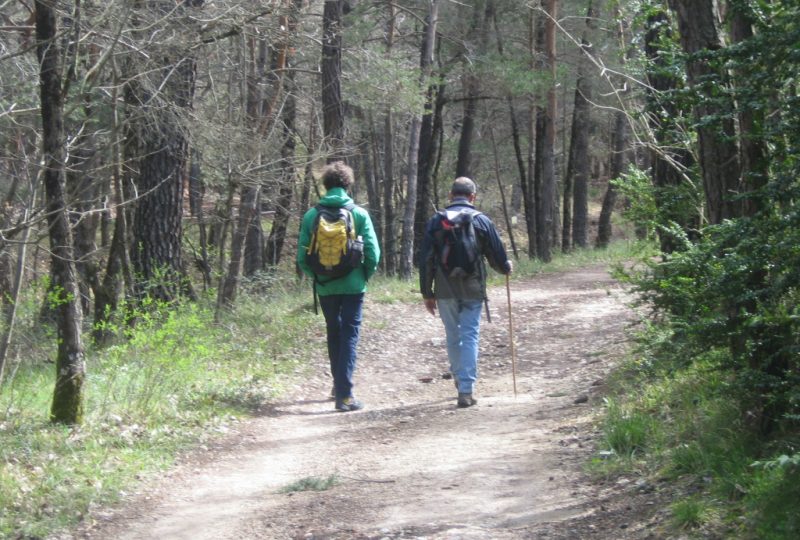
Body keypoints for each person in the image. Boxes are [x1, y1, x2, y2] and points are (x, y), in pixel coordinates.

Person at [419, 177, 512, 408]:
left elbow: (426, 260)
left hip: (444, 288)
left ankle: (460, 380)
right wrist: (506, 267)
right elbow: (497, 257)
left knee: (453, 335)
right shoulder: (481, 221)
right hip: (473, 288)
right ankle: (467, 390)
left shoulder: (436, 221)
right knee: (470, 334)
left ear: (451, 196)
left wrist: (427, 292)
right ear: (473, 197)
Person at [297, 161, 381, 412]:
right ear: (347, 184)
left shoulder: (312, 215)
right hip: (353, 285)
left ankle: (338, 385)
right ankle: (344, 395)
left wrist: (318, 276)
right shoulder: (359, 213)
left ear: (325, 185)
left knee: (334, 332)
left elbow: (302, 257)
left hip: (325, 286)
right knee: (350, 335)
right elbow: (373, 253)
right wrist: (364, 275)